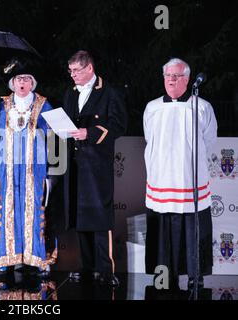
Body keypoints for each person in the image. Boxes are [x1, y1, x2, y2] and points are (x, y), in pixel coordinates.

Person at [144, 58, 217, 289]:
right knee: (165, 226)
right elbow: (149, 138)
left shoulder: (201, 106)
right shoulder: (153, 107)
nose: (171, 80)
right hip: (162, 177)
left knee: (193, 226)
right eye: (167, 76)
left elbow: (209, 140)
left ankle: (196, 275)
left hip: (189, 177)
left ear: (187, 79)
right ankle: (166, 274)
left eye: (176, 76)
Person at [60, 50, 127, 286]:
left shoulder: (109, 93)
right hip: (75, 162)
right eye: (70, 71)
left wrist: (91, 133)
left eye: (76, 71)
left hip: (97, 163)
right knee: (80, 215)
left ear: (89, 68)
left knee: (100, 215)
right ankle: (86, 266)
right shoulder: (70, 93)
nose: (73, 75)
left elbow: (119, 124)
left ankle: (107, 270)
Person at [0, 60, 57, 276]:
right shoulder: (1, 106)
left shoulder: (45, 106)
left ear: (33, 83)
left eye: (26, 79)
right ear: (12, 83)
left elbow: (55, 140)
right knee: (6, 211)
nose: (22, 83)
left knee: (34, 211)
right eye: (18, 79)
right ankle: (5, 258)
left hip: (35, 172)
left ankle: (36, 259)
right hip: (5, 172)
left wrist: (52, 173)